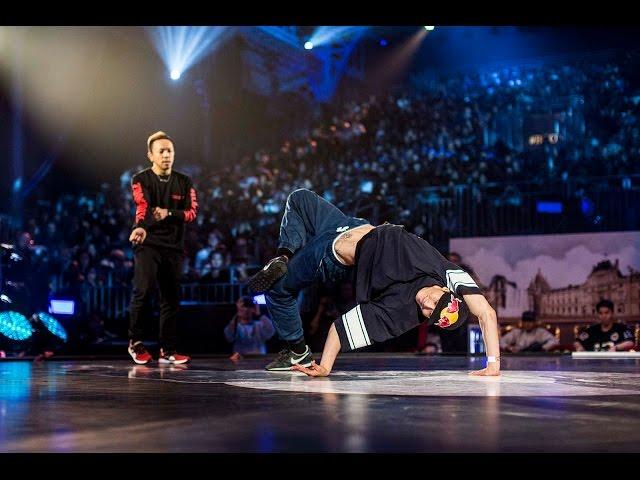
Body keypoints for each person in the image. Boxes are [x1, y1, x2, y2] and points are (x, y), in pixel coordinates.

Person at [247, 188, 500, 376]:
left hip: (329, 255)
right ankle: (283, 255)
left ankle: (297, 351)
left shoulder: (400, 312)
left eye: (430, 314)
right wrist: (493, 364)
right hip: (349, 224)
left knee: (277, 290)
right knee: (299, 198)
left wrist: (325, 367)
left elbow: (340, 329)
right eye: (436, 301)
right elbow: (486, 313)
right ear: (445, 289)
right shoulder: (440, 268)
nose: (427, 305)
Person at [127, 131, 198, 365]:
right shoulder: (141, 179)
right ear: (151, 155)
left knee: (171, 298)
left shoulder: (185, 181)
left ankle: (167, 349)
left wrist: (169, 213)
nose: (167, 155)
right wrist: (140, 227)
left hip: (174, 247)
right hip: (148, 244)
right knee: (143, 291)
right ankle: (135, 343)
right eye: (162, 151)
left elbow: (191, 213)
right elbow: (142, 204)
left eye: (170, 151)